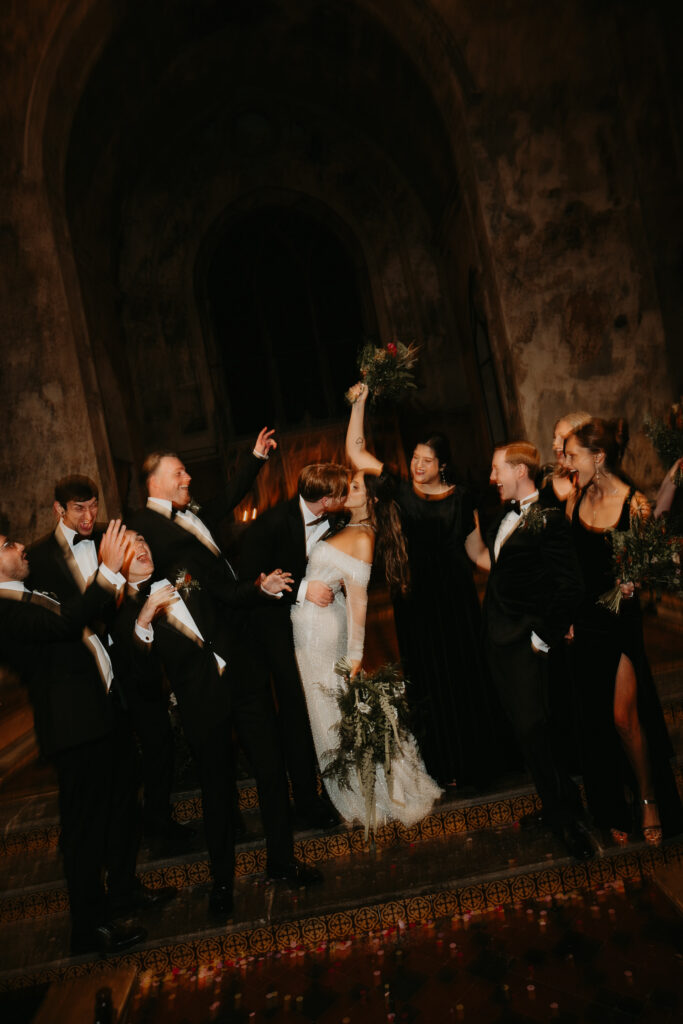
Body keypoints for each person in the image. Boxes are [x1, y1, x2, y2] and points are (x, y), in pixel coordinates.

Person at [110, 531, 315, 918]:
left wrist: (260, 589)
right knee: (217, 793)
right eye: (130, 546)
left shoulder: (183, 570)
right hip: (202, 705)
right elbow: (141, 676)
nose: (142, 547)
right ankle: (222, 882)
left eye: (143, 540)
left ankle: (283, 861)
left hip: (246, 684)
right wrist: (145, 617)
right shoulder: (125, 615)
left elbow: (228, 595)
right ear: (114, 561)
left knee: (272, 772)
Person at [0, 520, 160, 956]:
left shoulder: (29, 593)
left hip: (102, 714)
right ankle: (90, 929)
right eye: (8, 545)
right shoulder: (5, 610)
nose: (19, 547)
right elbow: (68, 624)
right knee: (85, 832)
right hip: (74, 729)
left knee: (122, 805)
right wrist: (107, 572)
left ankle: (123, 891)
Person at [345, 381, 507, 789]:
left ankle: (477, 762)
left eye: (427, 460)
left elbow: (477, 552)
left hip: (457, 602)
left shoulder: (462, 497)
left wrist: (515, 570)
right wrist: (359, 405)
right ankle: (442, 765)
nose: (418, 465)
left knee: (465, 677)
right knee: (428, 684)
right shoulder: (399, 489)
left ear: (442, 465)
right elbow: (356, 452)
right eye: (416, 457)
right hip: (416, 605)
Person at [29, 475, 186, 844]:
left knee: (157, 741)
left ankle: (159, 824)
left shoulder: (108, 536)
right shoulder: (37, 558)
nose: (88, 515)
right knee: (113, 771)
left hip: (130, 655)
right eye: (79, 508)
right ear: (59, 510)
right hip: (85, 675)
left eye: (93, 505)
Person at [291, 471, 442, 826]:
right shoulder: (345, 526)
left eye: (355, 487)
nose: (348, 490)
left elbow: (359, 600)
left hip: (321, 632)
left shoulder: (362, 537)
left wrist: (356, 654)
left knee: (328, 709)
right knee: (329, 707)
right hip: (318, 622)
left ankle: (357, 794)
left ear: (371, 501)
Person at [467, 442, 592, 860]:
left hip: (525, 643)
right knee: (528, 732)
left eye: (496, 468)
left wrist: (542, 636)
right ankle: (559, 803)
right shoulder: (504, 513)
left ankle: (567, 823)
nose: (491, 477)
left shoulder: (550, 520)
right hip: (499, 641)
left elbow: (570, 586)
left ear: (520, 470)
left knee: (536, 730)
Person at [564, 419, 683, 845]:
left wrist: (636, 579)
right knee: (597, 721)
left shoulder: (634, 505)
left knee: (624, 718)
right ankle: (612, 805)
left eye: (573, 455)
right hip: (586, 621)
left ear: (598, 457)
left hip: (620, 624)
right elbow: (574, 570)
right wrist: (570, 619)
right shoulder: (574, 500)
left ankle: (650, 799)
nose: (566, 461)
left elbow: (652, 560)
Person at [238, 463, 351, 829]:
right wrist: (302, 590)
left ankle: (338, 783)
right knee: (297, 712)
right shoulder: (271, 522)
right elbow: (249, 579)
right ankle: (305, 797)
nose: (344, 499)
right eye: (340, 494)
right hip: (278, 632)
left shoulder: (337, 521)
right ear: (325, 498)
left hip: (322, 629)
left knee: (327, 703)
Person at [540, 411, 592, 508]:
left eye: (563, 438)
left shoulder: (598, 486)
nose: (555, 445)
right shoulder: (545, 474)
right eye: (554, 438)